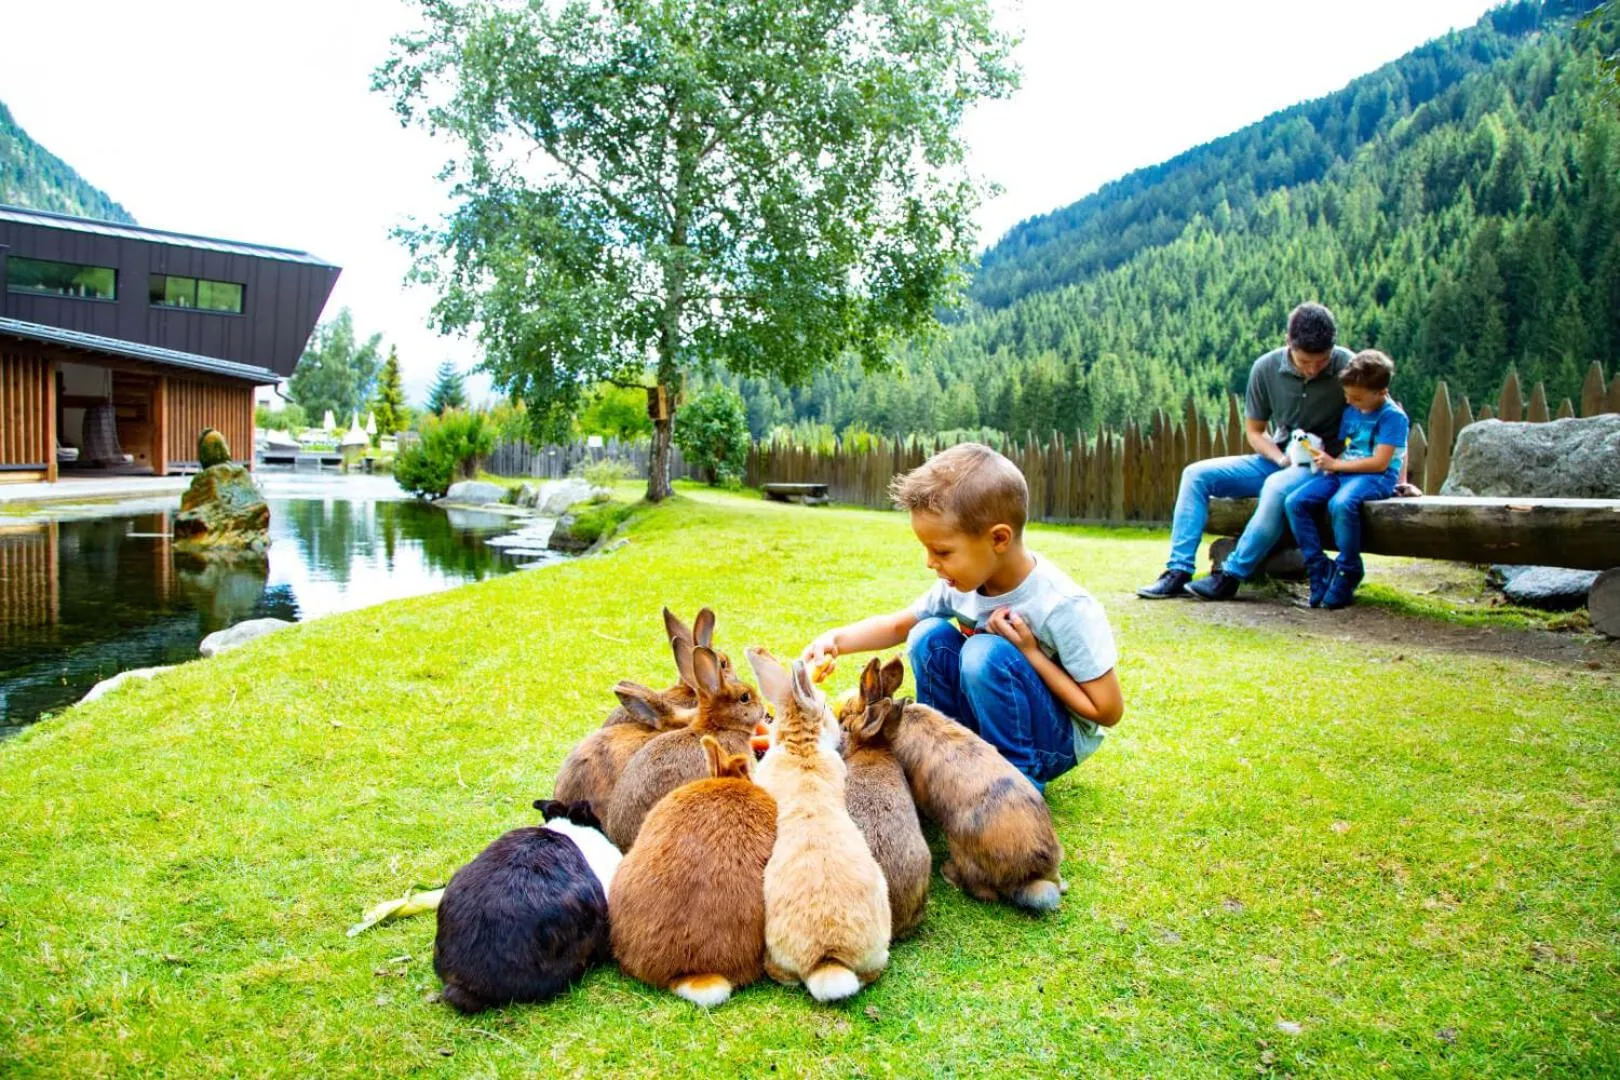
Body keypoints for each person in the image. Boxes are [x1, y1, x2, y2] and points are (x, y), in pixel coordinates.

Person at [801, 443, 1123, 792]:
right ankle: (939, 761)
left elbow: (1106, 710)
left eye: (942, 551)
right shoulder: (960, 586)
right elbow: (897, 625)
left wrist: (1031, 654)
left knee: (984, 652)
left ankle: (1018, 787)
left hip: (1051, 742)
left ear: (998, 538)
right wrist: (836, 639)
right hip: (987, 722)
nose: (929, 562)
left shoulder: (1061, 604)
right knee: (927, 635)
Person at [1136, 302, 1353, 602]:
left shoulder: (1348, 365)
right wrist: (1279, 459)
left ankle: (1230, 575)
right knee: (1196, 475)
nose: (1314, 369)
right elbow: (1255, 431)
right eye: (1305, 361)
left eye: (1322, 361)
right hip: (1279, 457)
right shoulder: (1265, 368)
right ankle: (1178, 571)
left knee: (1275, 489)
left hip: (1322, 468)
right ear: (1289, 343)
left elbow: (1385, 418)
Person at [1284, 350, 1409, 609]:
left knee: (1340, 505)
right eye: (1347, 396)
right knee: (1295, 502)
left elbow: (1380, 462)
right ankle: (1317, 566)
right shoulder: (1351, 411)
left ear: (1381, 393)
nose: (1350, 402)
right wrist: (1326, 459)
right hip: (1344, 471)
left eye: (1357, 398)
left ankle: (1348, 568)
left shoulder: (1393, 418)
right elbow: (1348, 446)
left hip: (1375, 477)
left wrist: (1337, 464)